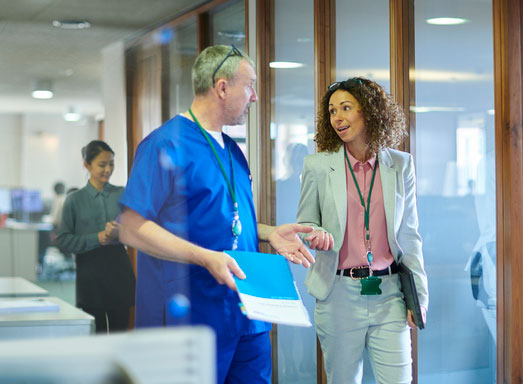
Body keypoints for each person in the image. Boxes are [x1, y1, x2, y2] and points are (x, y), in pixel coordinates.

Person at [117, 45, 315, 384]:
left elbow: (224, 217)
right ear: (222, 87)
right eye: (250, 85)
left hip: (247, 314)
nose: (254, 97)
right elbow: (132, 229)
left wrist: (267, 233)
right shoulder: (164, 145)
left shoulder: (234, 150)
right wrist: (206, 257)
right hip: (192, 319)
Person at [296, 77, 429, 384]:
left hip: (390, 294)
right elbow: (306, 223)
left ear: (369, 112)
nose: (337, 118)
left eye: (346, 108)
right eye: (331, 111)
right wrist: (314, 234)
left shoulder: (400, 164)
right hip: (338, 293)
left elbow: (409, 236)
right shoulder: (317, 166)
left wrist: (419, 297)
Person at [56, 140, 136, 333]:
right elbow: (64, 241)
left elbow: (139, 232)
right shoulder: (74, 200)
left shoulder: (122, 194)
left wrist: (121, 233)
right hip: (90, 278)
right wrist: (97, 238)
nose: (108, 169)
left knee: (121, 335)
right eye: (102, 164)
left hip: (119, 274)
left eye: (111, 164)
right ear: (87, 165)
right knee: (96, 337)